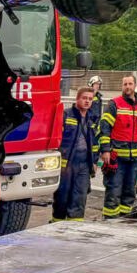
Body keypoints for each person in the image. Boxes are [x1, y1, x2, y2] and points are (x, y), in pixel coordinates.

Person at [98, 74, 137, 217]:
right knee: (114, 190)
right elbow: (104, 129)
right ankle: (110, 220)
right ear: (122, 86)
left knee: (130, 191)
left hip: (134, 158)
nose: (127, 87)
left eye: (130, 84)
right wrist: (105, 150)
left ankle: (125, 219)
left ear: (135, 85)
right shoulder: (114, 104)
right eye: (125, 84)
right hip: (116, 158)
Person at [52, 86, 99, 222]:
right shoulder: (66, 115)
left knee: (80, 196)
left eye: (90, 99)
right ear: (77, 99)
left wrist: (94, 162)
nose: (87, 101)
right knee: (62, 196)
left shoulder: (92, 118)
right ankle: (56, 224)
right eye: (84, 98)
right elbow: (57, 138)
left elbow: (95, 143)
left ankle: (74, 227)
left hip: (84, 164)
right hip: (66, 165)